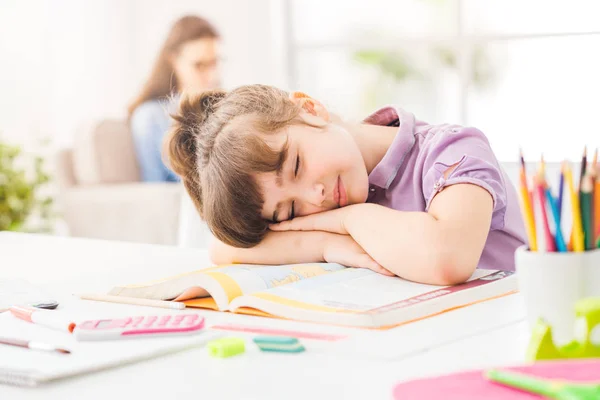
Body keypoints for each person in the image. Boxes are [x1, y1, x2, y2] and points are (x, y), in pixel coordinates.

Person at [164, 85, 527, 285]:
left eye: (296, 166)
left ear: (310, 109)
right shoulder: (330, 196)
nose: (314, 197)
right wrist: (326, 245)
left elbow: (447, 259)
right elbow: (223, 249)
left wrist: (347, 222)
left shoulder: (452, 149)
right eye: (289, 211)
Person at [129, 15, 220, 182]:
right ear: (174, 61)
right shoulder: (150, 117)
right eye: (199, 65)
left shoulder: (221, 109)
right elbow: (155, 187)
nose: (212, 76)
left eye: (214, 63)